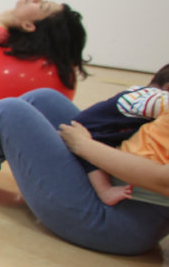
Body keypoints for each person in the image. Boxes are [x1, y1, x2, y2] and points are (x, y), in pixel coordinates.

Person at [0, 86, 169, 256]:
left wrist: (85, 146)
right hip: (119, 187)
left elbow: (162, 180)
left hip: (121, 217)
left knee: (8, 113)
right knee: (43, 98)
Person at [68, 64, 169, 205]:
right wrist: (83, 144)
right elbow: (158, 105)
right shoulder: (153, 96)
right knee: (92, 164)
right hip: (96, 130)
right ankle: (104, 191)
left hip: (105, 130)